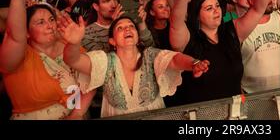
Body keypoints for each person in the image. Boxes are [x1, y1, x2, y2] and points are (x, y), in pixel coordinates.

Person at [61, 15, 209, 118]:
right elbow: (73, 60)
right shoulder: (104, 61)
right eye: (120, 28)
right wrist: (73, 43)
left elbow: (174, 59)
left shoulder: (150, 55)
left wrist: (193, 63)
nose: (127, 29)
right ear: (112, 41)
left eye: (131, 26)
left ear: (138, 37)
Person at [0, 0, 94, 119]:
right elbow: (15, 36)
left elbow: (91, 82)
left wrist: (76, 114)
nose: (50, 25)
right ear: (27, 32)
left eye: (51, 20)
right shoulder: (18, 57)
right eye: (40, 22)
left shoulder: (69, 46)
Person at [169, 0, 272, 105]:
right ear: (197, 15)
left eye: (217, 5)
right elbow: (175, 24)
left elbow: (258, 9)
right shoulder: (189, 39)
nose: (216, 10)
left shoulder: (231, 31)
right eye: (209, 8)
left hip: (234, 115)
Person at [240, 0, 280, 93]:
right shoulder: (241, 26)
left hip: (278, 92)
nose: (271, 0)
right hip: (249, 94)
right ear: (251, 1)